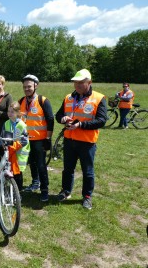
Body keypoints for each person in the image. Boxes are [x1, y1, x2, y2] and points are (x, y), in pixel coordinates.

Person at [55, 69, 107, 210]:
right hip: (69, 140)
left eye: (80, 82)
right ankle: (66, 191)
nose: (77, 85)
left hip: (87, 142)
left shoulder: (99, 98)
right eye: (75, 82)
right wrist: (63, 119)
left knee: (88, 171)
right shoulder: (68, 98)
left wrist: (81, 124)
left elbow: (102, 121)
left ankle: (87, 197)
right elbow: (58, 115)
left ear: (89, 82)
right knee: (67, 169)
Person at [19, 74, 54, 202]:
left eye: (29, 86)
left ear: (36, 86)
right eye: (24, 87)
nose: (27, 89)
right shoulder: (21, 101)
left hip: (40, 140)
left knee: (41, 165)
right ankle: (35, 182)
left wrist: (48, 139)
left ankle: (44, 190)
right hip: (26, 140)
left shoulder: (43, 100)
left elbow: (50, 120)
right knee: (31, 163)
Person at [3, 102, 29, 191]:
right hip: (9, 153)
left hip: (19, 154)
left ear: (18, 113)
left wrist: (15, 145)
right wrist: (2, 143)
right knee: (9, 172)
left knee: (18, 173)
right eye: (8, 111)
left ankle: (18, 192)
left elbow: (25, 140)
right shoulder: (6, 123)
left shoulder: (22, 125)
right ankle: (10, 191)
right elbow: (2, 136)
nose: (9, 114)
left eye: (12, 112)